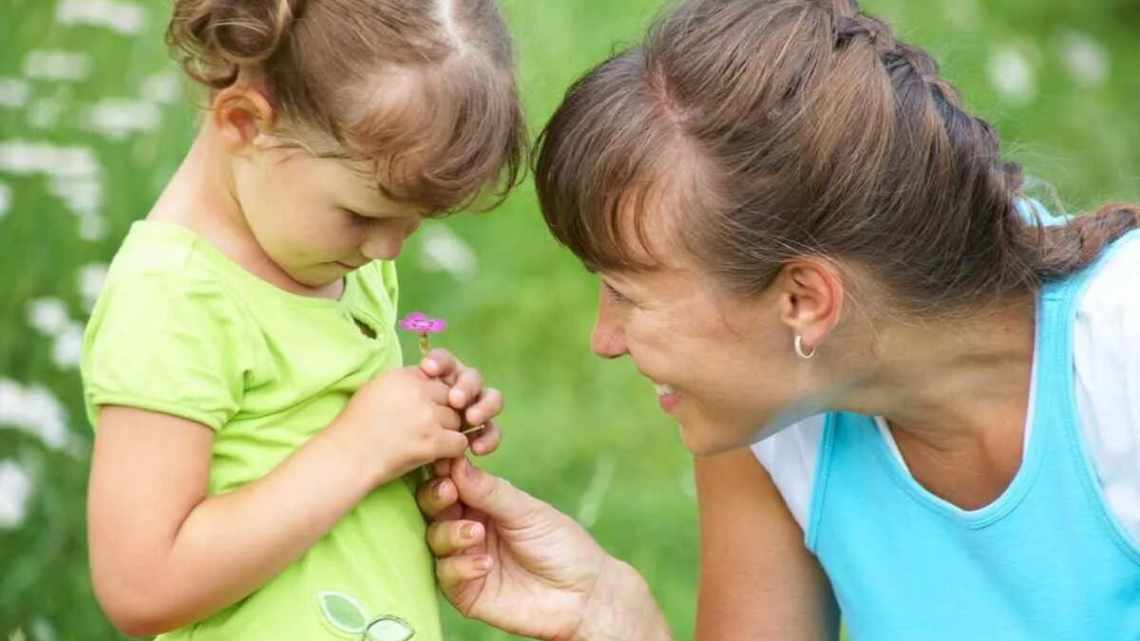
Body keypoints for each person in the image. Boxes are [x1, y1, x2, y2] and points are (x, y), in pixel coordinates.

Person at [416, 1, 1140, 639]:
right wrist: (613, 615)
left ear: (804, 301)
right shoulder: (768, 412)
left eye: (628, 295)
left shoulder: (1119, 352)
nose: (603, 341)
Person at [80, 1, 525, 639]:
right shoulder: (173, 299)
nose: (388, 250)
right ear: (244, 122)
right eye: (362, 215)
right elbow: (140, 585)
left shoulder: (327, 259)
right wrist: (364, 447)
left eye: (414, 221)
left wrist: (422, 425)